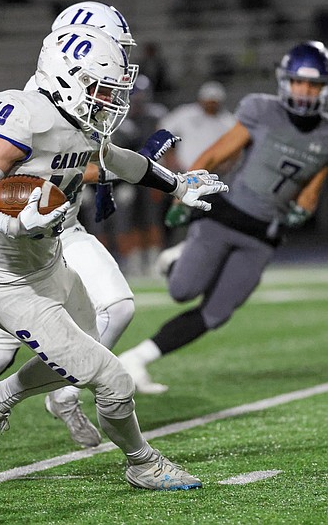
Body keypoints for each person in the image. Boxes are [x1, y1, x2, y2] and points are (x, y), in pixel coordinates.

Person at [0, 23, 227, 490]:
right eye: (100, 88)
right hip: (11, 284)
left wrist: (178, 184)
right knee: (114, 380)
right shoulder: (24, 114)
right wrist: (11, 222)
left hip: (52, 265)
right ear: (66, 78)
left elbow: (120, 160)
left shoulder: (82, 122)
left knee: (82, 355)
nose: (110, 100)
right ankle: (143, 463)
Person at [119, 41, 328, 395]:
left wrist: (303, 209)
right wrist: (183, 191)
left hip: (265, 233)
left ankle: (135, 359)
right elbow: (215, 155)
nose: (305, 91)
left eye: (314, 85)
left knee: (217, 313)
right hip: (226, 215)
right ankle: (177, 258)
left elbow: (312, 186)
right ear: (285, 81)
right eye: (299, 82)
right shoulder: (261, 110)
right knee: (182, 291)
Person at [157, 80, 237, 247]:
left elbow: (237, 147)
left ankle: (207, 249)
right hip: (183, 174)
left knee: (209, 217)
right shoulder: (186, 114)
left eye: (214, 103)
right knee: (179, 216)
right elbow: (164, 131)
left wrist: (226, 165)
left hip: (213, 178)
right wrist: (170, 159)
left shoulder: (227, 121)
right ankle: (173, 250)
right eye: (208, 102)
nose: (210, 106)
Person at [108, 74, 170, 277]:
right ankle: (134, 261)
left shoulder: (155, 116)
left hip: (152, 173)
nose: (138, 100)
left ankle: (153, 260)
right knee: (130, 219)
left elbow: (165, 147)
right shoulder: (119, 117)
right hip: (127, 176)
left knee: (151, 219)